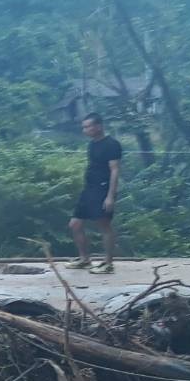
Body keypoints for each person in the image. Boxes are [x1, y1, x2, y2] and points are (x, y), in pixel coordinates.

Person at [66, 112, 122, 274]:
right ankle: (84, 259)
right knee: (75, 224)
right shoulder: (92, 144)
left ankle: (108, 263)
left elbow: (115, 170)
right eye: (84, 127)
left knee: (104, 224)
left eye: (88, 126)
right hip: (89, 189)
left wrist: (110, 196)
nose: (85, 130)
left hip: (103, 189)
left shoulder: (112, 145)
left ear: (98, 126)